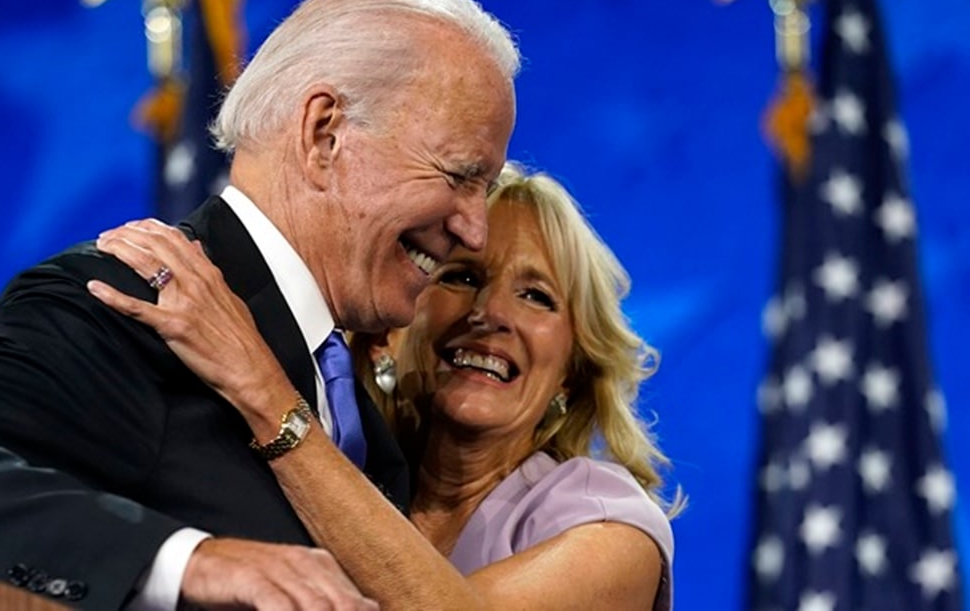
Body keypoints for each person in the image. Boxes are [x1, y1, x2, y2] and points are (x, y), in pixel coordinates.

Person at [0, 0, 518, 611]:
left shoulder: (359, 408)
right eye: (460, 175)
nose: (475, 231)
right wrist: (188, 561)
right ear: (324, 132)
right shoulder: (140, 298)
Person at [90, 162, 684, 610]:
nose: (490, 312)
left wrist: (263, 392)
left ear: (572, 373)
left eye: (536, 296)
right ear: (392, 336)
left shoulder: (613, 527)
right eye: (462, 277)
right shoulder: (345, 470)